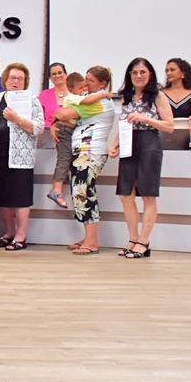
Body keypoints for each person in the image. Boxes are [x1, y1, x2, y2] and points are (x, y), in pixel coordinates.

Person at [113, 58, 174, 259]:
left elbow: (169, 126)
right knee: (125, 194)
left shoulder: (158, 96)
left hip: (149, 142)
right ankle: (133, 238)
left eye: (143, 72)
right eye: (134, 73)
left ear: (150, 75)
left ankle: (144, 241)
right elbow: (124, 123)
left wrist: (145, 118)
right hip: (129, 142)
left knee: (148, 194)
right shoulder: (127, 97)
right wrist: (115, 144)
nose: (138, 76)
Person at [54, 66, 116, 255]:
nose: (85, 83)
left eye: (90, 80)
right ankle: (88, 238)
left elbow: (63, 114)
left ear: (102, 84)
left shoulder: (99, 102)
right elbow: (62, 119)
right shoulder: (89, 102)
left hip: (90, 153)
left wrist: (58, 117)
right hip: (81, 152)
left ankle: (92, 241)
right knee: (80, 192)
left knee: (85, 191)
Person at [0, 63, 43, 251]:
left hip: (20, 156)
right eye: (13, 78)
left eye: (20, 78)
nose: (16, 82)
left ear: (25, 81)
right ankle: (9, 232)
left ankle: (21, 235)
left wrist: (17, 119)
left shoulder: (31, 99)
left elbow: (38, 127)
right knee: (2, 196)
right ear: (5, 79)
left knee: (20, 197)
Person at [47, 73, 107, 209]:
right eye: (81, 87)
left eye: (86, 85)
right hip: (65, 131)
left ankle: (58, 189)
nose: (85, 89)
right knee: (64, 160)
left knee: (66, 160)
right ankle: (56, 190)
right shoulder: (75, 98)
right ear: (71, 89)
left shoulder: (81, 99)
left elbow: (59, 113)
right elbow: (61, 113)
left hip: (70, 133)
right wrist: (104, 94)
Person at [162, 58, 191, 149]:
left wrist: (185, 139)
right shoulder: (161, 94)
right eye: (167, 70)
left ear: (183, 73)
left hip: (188, 139)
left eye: (172, 70)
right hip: (166, 138)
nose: (168, 73)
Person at [38, 63, 70, 129]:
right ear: (50, 77)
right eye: (54, 74)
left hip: (71, 131)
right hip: (48, 132)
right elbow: (38, 117)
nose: (57, 76)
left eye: (60, 73)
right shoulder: (44, 95)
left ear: (66, 74)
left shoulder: (74, 92)